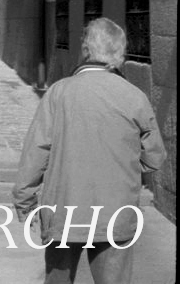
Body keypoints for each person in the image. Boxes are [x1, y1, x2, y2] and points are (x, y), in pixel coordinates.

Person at [12, 17, 166, 284]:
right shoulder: (134, 96)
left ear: (85, 51)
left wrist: (24, 200)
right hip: (116, 214)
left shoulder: (58, 94)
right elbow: (155, 157)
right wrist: (127, 165)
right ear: (119, 55)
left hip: (64, 212)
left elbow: (36, 152)